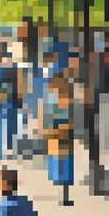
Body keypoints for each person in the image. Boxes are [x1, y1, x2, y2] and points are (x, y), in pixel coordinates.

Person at [40, 76, 77, 206]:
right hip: (59, 139)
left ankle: (65, 194)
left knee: (65, 169)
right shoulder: (54, 103)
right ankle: (64, 194)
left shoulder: (67, 104)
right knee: (61, 168)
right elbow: (47, 122)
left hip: (64, 140)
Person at [0, 49, 22, 160]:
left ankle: (7, 147)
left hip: (9, 101)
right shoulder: (1, 71)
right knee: (1, 125)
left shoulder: (13, 71)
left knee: (10, 126)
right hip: (3, 102)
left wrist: (19, 99)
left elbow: (18, 87)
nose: (7, 61)